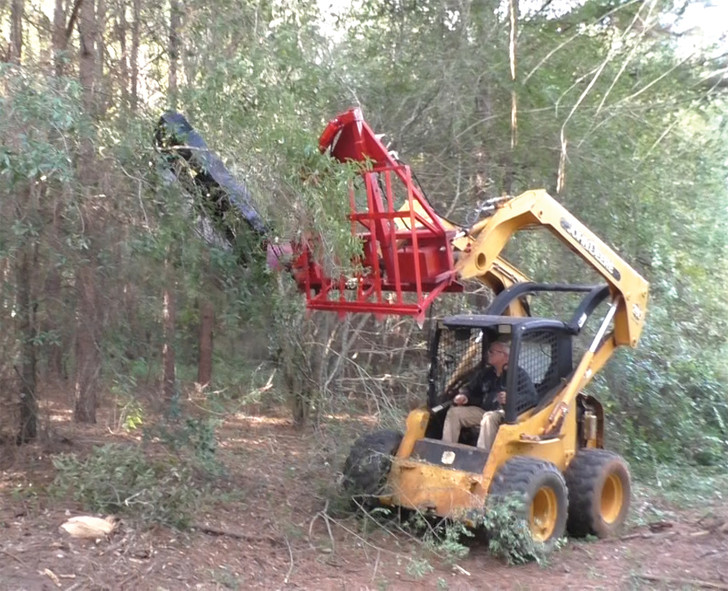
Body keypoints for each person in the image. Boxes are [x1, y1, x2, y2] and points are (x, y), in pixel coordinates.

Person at [441, 339, 537, 453]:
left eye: (492, 352)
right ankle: (446, 451)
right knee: (454, 413)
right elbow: (471, 389)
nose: (488, 354)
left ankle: (481, 456)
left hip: (506, 414)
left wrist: (511, 399)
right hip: (484, 410)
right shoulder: (486, 373)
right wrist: (464, 396)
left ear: (505, 356)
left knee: (489, 417)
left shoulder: (518, 374)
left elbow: (532, 398)